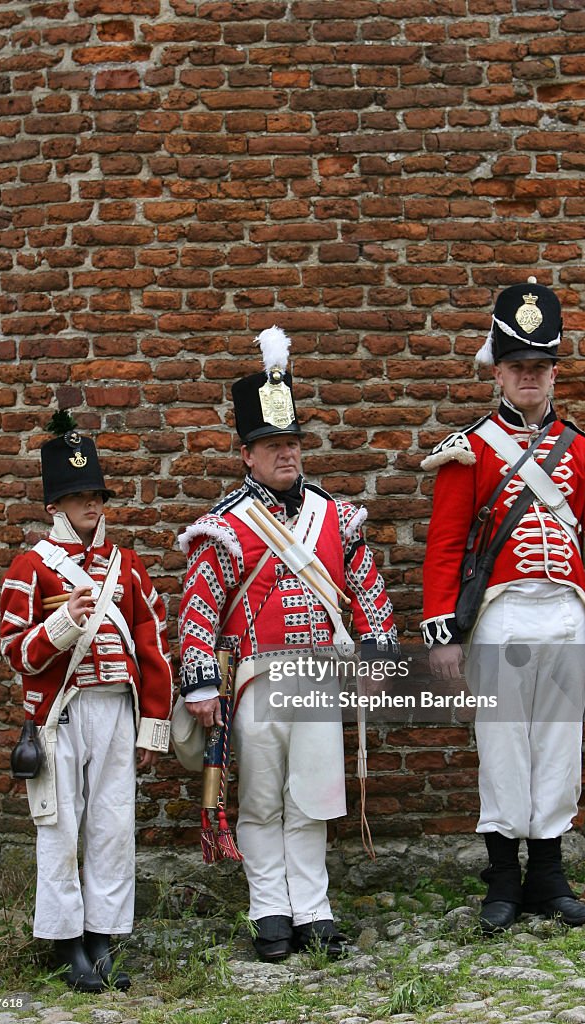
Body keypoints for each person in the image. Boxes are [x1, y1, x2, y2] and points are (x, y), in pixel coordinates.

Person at [177, 326, 398, 962]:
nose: (286, 454)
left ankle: (314, 909)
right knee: (263, 796)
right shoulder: (224, 527)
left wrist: (379, 654)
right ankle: (268, 909)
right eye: (272, 445)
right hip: (255, 682)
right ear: (247, 454)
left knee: (314, 795)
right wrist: (197, 682)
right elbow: (199, 609)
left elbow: (366, 590)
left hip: (320, 676)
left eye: (292, 442)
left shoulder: (334, 517)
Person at [420, 279, 585, 933]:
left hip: (563, 614)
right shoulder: (470, 449)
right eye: (516, 367)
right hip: (501, 616)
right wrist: (442, 633)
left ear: (552, 372)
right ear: (497, 372)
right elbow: (445, 547)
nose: (528, 377)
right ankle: (502, 881)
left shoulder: (583, 451)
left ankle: (549, 879)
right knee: (504, 746)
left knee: (557, 748)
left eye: (538, 367)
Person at [0, 418, 173, 991]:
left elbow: (152, 645)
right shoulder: (32, 566)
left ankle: (102, 937)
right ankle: (65, 941)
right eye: (78, 496)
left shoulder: (127, 566)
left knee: (112, 827)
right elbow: (16, 651)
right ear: (58, 502)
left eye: (95, 495)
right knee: (60, 827)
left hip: (117, 710)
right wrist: (64, 623)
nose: (90, 505)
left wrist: (152, 724)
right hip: (60, 715)